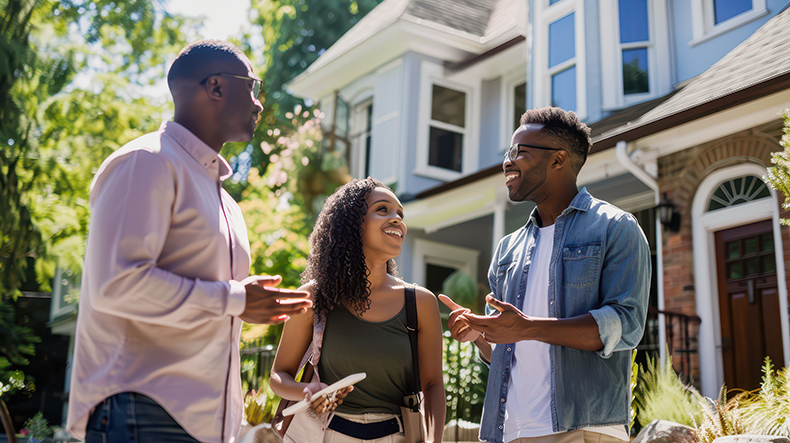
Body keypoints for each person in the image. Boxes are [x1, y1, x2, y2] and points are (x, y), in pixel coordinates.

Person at [66, 39, 312, 443]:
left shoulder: (228, 204)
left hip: (206, 426)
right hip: (142, 410)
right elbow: (116, 284)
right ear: (215, 87)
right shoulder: (146, 162)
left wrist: (240, 304)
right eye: (252, 87)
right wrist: (235, 300)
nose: (258, 103)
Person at [439, 106, 650, 443]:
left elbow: (626, 325)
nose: (508, 162)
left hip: (582, 428)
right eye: (509, 153)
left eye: (520, 152)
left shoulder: (614, 227)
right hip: (509, 430)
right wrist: (479, 334)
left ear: (558, 160)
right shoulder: (508, 250)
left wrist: (527, 328)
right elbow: (507, 352)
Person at [271, 178, 446, 443]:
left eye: (401, 213)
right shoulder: (314, 297)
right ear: (353, 223)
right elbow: (278, 376)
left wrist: (433, 441)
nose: (398, 219)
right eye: (383, 209)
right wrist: (308, 390)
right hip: (324, 436)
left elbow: (433, 384)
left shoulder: (420, 302)